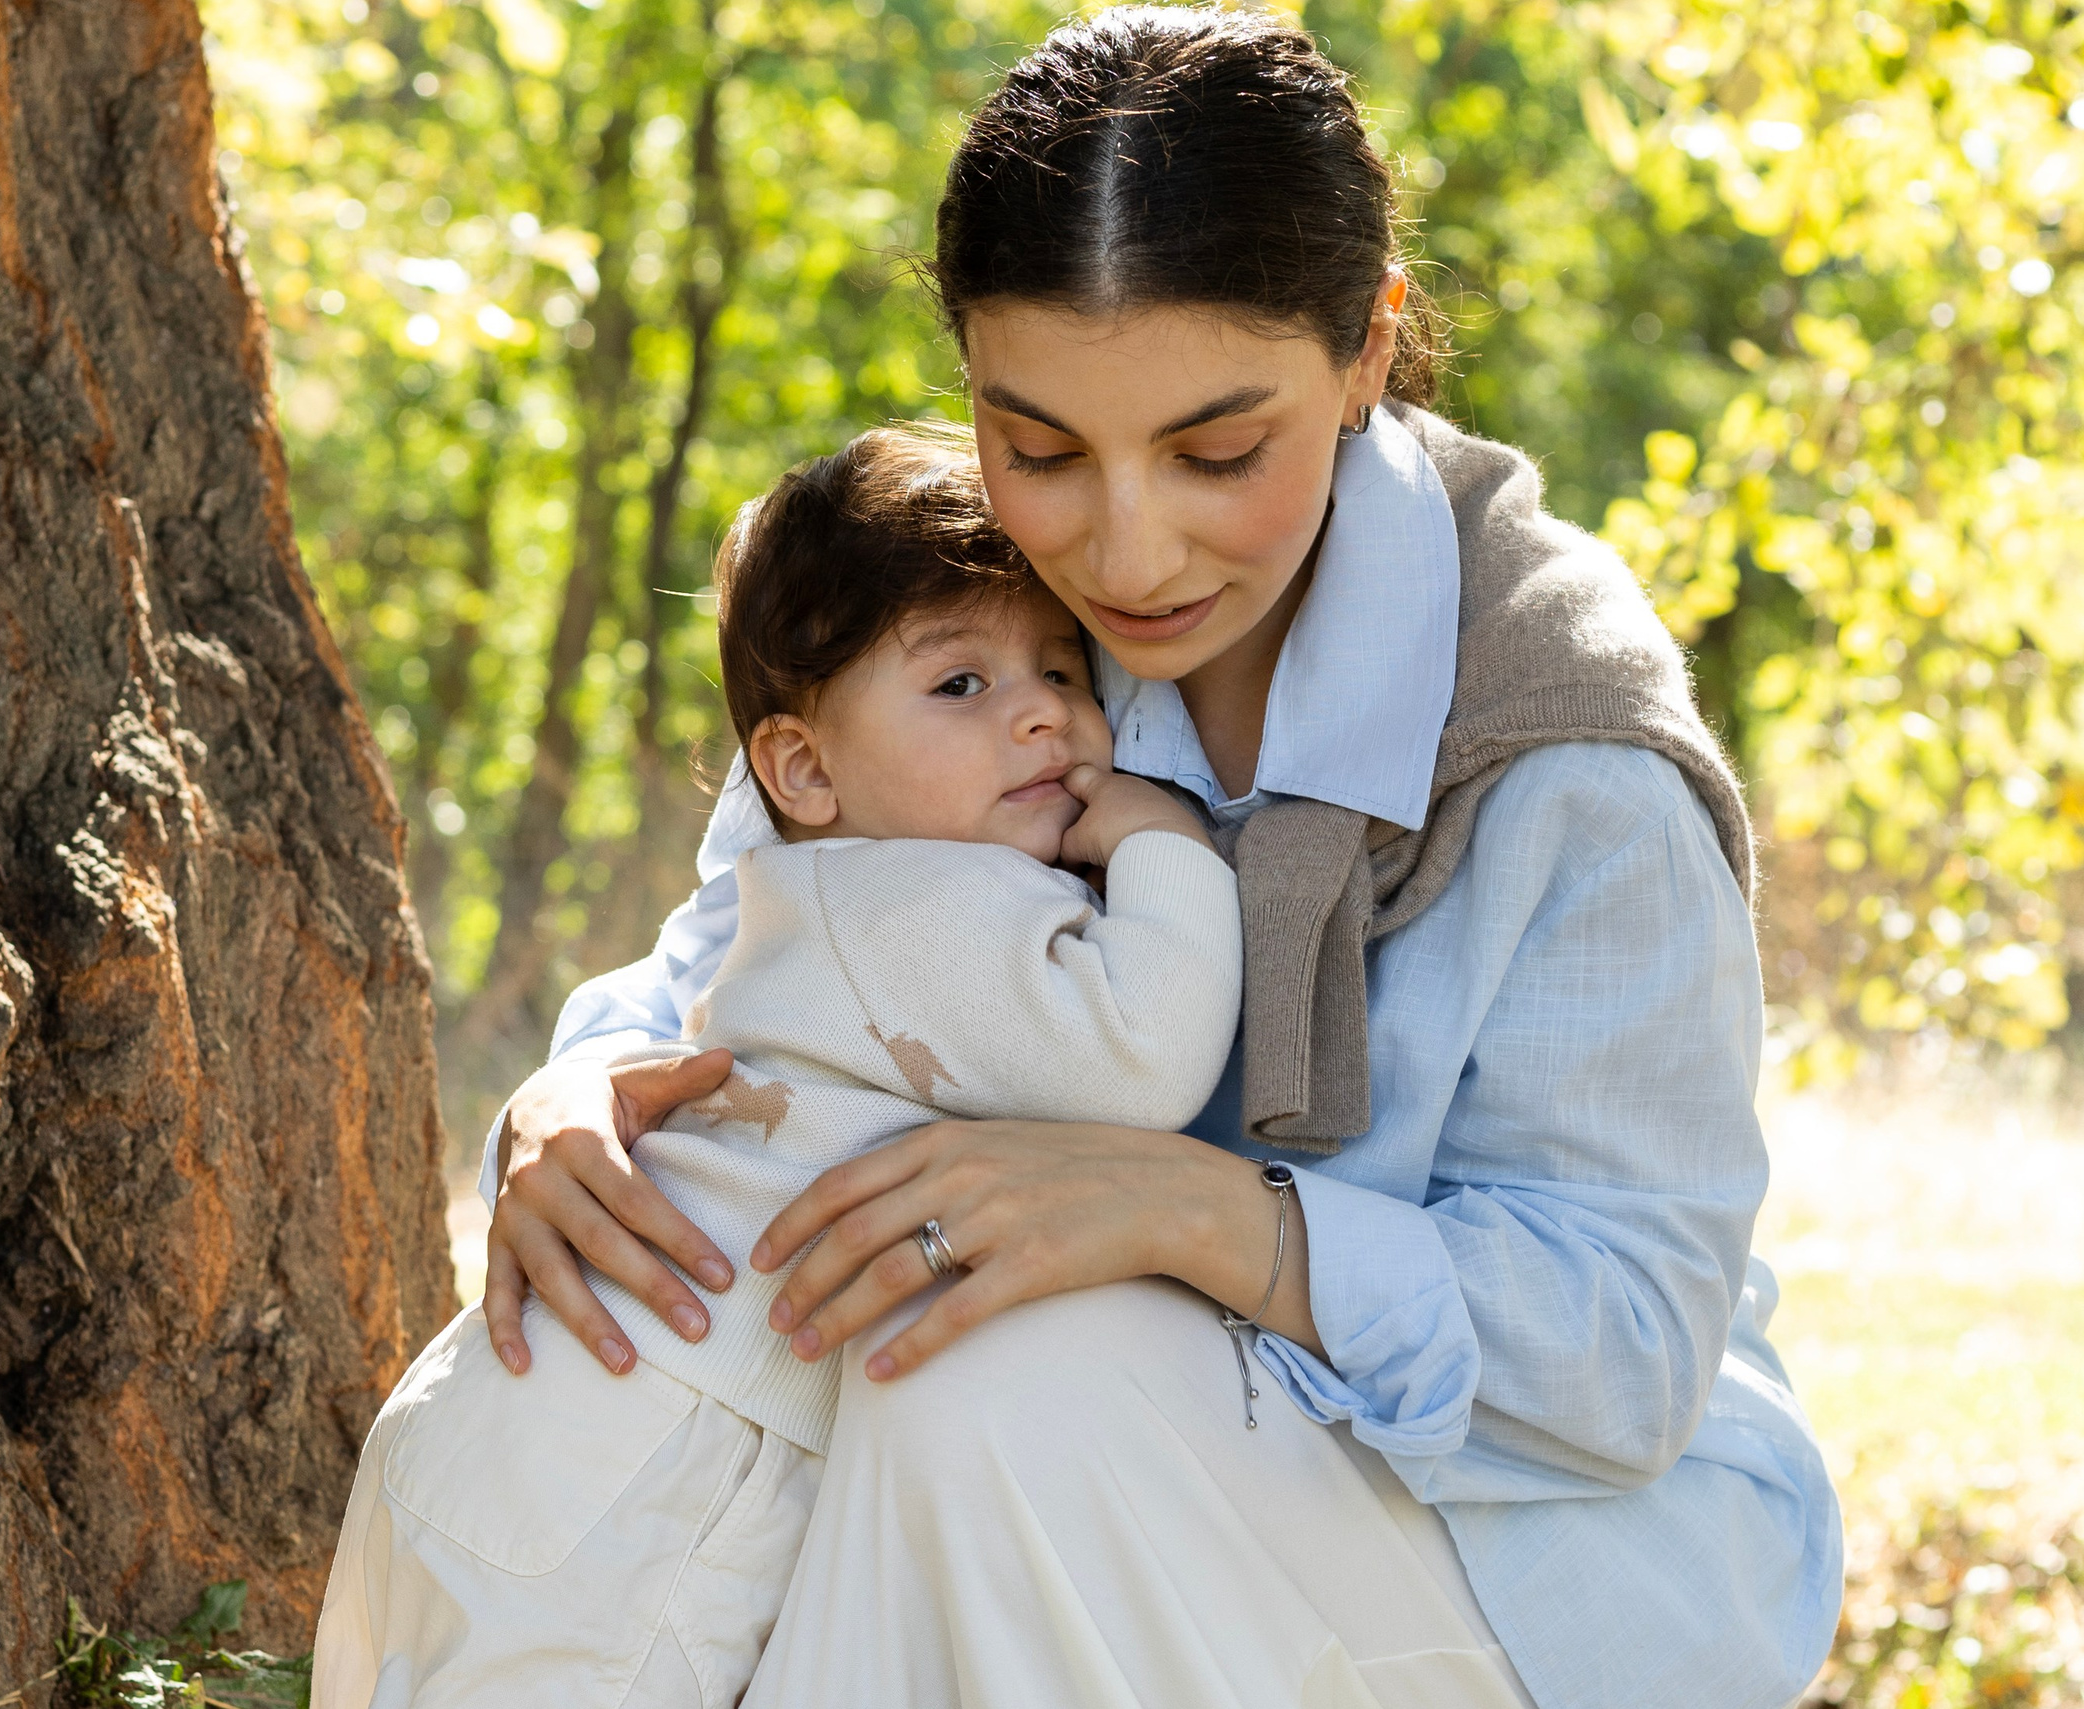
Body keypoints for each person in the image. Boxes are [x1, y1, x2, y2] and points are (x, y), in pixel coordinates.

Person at [454, 9, 1846, 1709]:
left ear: (1367, 347)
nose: (1123, 552)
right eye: (1038, 450)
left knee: (979, 1366)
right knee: (822, 1340)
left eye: (1217, 452)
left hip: (1536, 1540)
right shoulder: (984, 623)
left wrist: (1202, 1213)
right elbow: (753, 947)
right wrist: (580, 1094)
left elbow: (1623, 1354)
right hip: (1081, 1431)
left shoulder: (1566, 753)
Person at [312, 426, 1246, 1707]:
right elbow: (1142, 1056)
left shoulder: (816, 897)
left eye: (1059, 668)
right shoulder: (934, 898)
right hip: (656, 1462)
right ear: (803, 768)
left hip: (538, 1412)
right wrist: (1165, 842)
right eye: (958, 683)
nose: (1041, 711)